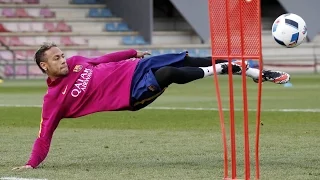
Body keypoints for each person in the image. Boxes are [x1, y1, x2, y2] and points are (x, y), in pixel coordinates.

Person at [12, 43, 290, 170]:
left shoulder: (76, 62)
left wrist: (132, 53)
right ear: (44, 66)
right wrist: (31, 163)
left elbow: (103, 58)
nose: (63, 60)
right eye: (57, 58)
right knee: (169, 74)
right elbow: (44, 134)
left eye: (62, 55)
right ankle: (224, 68)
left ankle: (252, 72)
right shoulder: (53, 100)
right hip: (133, 94)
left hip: (136, 67)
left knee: (185, 59)